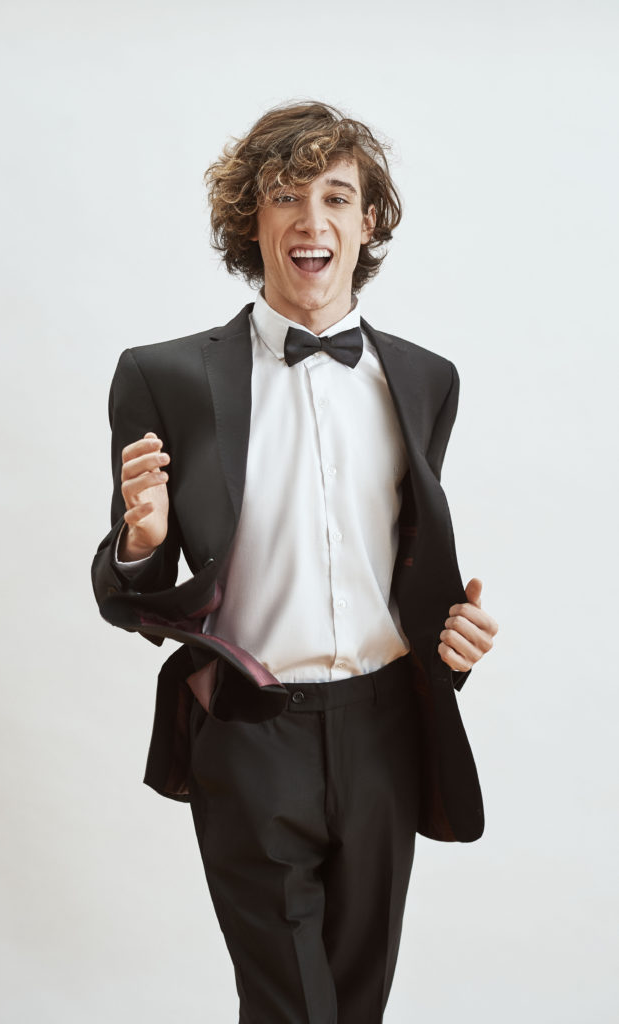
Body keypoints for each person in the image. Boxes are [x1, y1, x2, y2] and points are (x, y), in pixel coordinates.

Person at [91, 100, 498, 1024]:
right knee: (291, 1011)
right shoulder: (166, 377)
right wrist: (143, 543)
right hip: (250, 729)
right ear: (254, 219)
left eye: (337, 197)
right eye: (285, 196)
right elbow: (125, 595)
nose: (312, 220)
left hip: (387, 729)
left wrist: (453, 639)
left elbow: (399, 565)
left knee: (355, 1006)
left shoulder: (426, 379)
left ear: (368, 221)